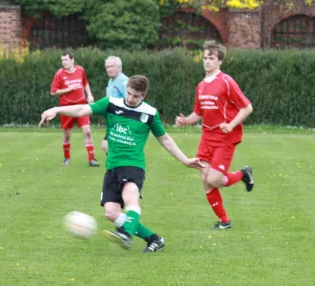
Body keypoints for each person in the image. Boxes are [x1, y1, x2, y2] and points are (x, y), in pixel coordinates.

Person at [40, 75, 203, 252]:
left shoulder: (149, 113)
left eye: (136, 96)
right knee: (111, 212)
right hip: (112, 167)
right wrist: (56, 109)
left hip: (133, 165)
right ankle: (154, 239)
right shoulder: (111, 103)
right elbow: (82, 110)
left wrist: (186, 160)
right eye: (130, 93)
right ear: (126, 89)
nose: (131, 98)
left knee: (130, 199)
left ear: (144, 96)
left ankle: (126, 234)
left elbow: (165, 139)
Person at [175, 41, 254, 230]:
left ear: (219, 61)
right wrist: (186, 121)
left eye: (211, 58)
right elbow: (199, 113)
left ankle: (243, 174)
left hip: (225, 138)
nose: (207, 62)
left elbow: (247, 107)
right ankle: (224, 221)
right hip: (207, 138)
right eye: (205, 58)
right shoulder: (201, 86)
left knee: (213, 179)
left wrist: (231, 124)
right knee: (205, 179)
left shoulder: (226, 81)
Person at [50, 51, 99, 167]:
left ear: (72, 60)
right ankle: (66, 158)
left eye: (66, 60)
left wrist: (90, 95)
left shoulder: (80, 70)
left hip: (82, 106)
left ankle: (91, 159)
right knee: (67, 134)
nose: (64, 62)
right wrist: (68, 89)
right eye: (62, 60)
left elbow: (85, 83)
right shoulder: (59, 74)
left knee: (87, 132)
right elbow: (53, 92)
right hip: (67, 108)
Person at [101, 56, 129, 154]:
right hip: (113, 120)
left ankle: (118, 167)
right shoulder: (111, 80)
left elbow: (129, 101)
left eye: (112, 66)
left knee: (107, 146)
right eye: (107, 67)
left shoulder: (124, 81)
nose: (109, 69)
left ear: (119, 67)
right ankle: (117, 167)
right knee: (108, 146)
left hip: (121, 120)